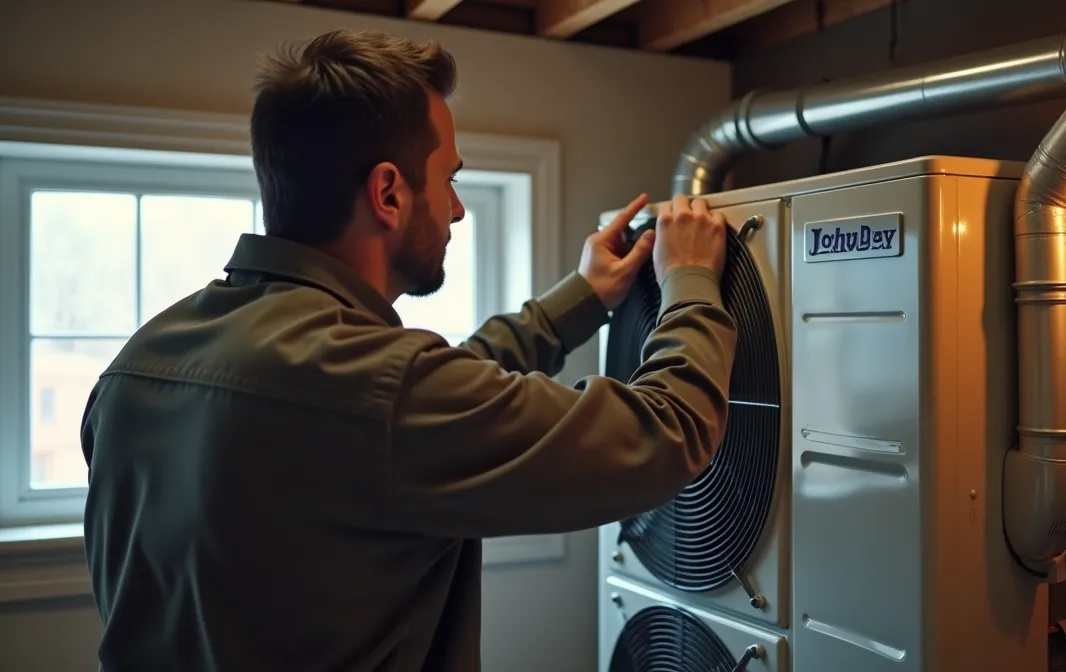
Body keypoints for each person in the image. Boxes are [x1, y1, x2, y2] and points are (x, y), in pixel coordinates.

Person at [79, 29, 736, 672]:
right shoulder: (380, 393)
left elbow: (432, 398)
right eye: (448, 179)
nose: (456, 210)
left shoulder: (138, 364)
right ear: (389, 192)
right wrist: (692, 279)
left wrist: (582, 299)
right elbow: (666, 434)